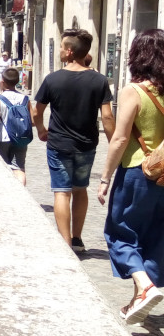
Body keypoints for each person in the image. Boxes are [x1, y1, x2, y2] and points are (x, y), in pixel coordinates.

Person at [96, 29, 164, 324]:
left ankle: (145, 286)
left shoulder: (133, 91)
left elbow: (120, 139)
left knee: (120, 232)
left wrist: (105, 178)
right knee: (154, 237)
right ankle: (140, 296)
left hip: (139, 172)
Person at [34, 28, 115, 252]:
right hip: (86, 145)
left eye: (61, 47)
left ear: (69, 52)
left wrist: (41, 129)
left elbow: (36, 112)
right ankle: (77, 239)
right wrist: (114, 142)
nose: (60, 50)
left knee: (61, 191)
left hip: (59, 144)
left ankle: (65, 243)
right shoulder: (99, 81)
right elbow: (107, 115)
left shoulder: (52, 80)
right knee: (80, 189)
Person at [0, 67, 35, 185]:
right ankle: (22, 194)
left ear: (2, 81)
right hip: (21, 138)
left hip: (1, 138)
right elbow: (33, 121)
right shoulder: (25, 98)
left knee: (1, 168)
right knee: (19, 168)